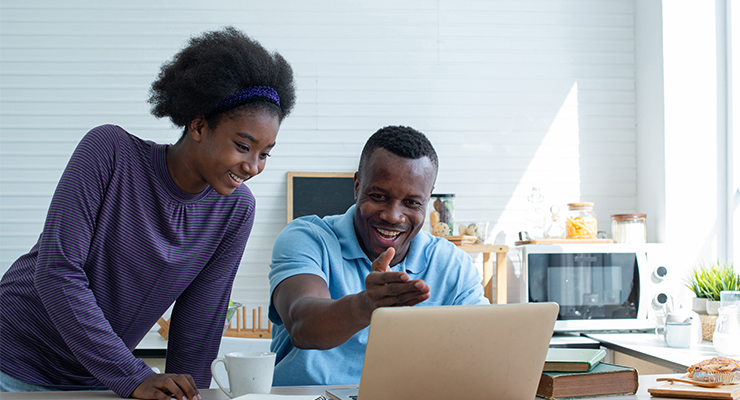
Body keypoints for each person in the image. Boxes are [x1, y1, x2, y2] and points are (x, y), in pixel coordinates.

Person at [0, 27, 295, 399]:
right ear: (199, 125)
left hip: (97, 378)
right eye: (242, 146)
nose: (253, 166)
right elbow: (58, 273)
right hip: (11, 358)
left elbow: (199, 321)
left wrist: (186, 394)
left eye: (265, 153)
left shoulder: (235, 209)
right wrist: (133, 375)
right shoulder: (109, 152)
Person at [268, 126, 489, 386]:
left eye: (412, 202)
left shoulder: (452, 264)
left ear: (428, 199)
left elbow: (482, 348)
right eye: (379, 196)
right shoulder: (307, 238)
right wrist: (365, 305)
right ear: (357, 185)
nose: (393, 216)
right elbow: (302, 324)